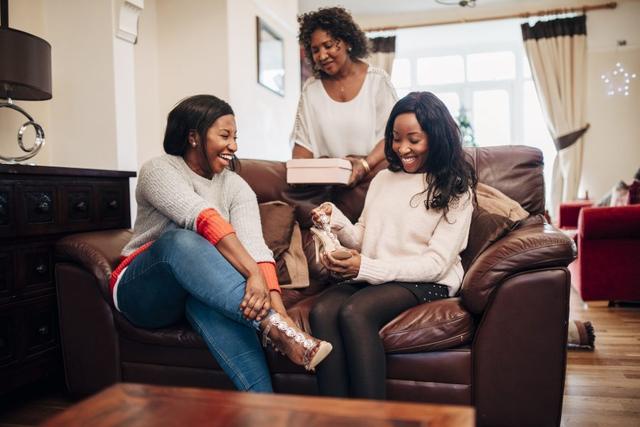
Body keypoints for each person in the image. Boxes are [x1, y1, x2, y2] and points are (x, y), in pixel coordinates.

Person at [109, 95, 331, 393]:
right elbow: (201, 217)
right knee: (181, 240)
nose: (234, 146)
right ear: (193, 137)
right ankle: (272, 327)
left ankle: (266, 407)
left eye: (235, 137)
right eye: (225, 136)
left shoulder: (236, 185)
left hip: (197, 289)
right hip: (145, 291)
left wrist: (281, 310)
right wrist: (253, 275)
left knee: (216, 306)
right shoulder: (159, 170)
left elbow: (255, 247)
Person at [308, 91, 477, 399]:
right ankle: (337, 415)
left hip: (427, 281)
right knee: (322, 310)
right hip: (376, 275)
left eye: (414, 139)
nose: (402, 148)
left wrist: (365, 267)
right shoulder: (383, 179)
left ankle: (373, 417)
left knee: (355, 312)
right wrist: (336, 219)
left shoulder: (456, 190)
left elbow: (436, 264)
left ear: (437, 137)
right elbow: (363, 236)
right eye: (396, 139)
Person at [291, 7, 398, 186]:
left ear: (347, 41)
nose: (322, 56)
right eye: (315, 50)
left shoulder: (377, 81)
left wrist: (364, 165)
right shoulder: (311, 89)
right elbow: (303, 147)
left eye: (328, 46)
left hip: (374, 180)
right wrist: (305, 170)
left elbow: (392, 136)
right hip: (328, 185)